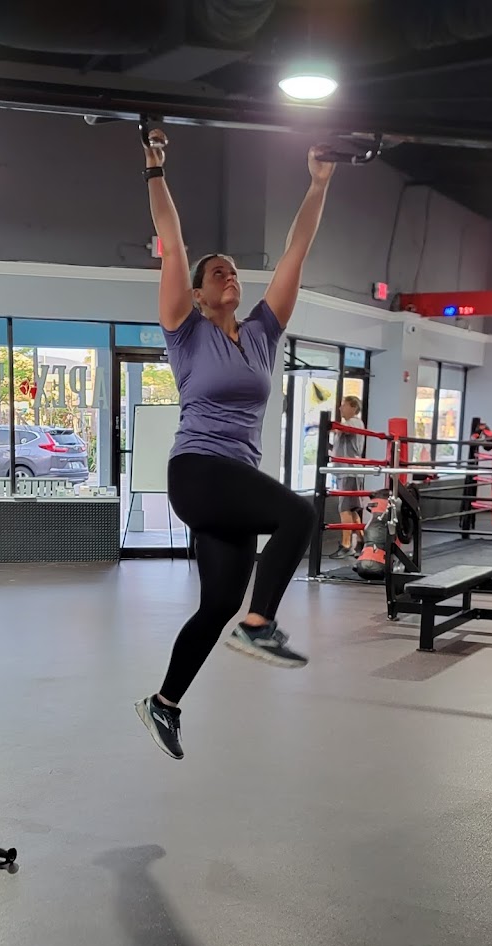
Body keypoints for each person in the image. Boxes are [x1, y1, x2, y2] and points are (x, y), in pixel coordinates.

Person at [135, 128, 337, 759]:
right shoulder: (185, 329)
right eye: (217, 271)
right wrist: (155, 168)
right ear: (197, 291)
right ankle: (261, 623)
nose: (230, 276)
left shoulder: (260, 336)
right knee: (299, 512)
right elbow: (172, 240)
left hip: (232, 482)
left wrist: (318, 183)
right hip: (199, 473)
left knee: (219, 600)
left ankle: (164, 703)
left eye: (234, 271)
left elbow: (296, 252)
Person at [329, 395, 366, 559]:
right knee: (352, 509)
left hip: (349, 472)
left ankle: (346, 545)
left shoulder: (354, 422)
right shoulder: (350, 423)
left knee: (344, 509)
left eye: (343, 405)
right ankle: (362, 542)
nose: (340, 408)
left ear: (353, 407)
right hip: (347, 472)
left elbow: (342, 429)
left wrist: (327, 426)